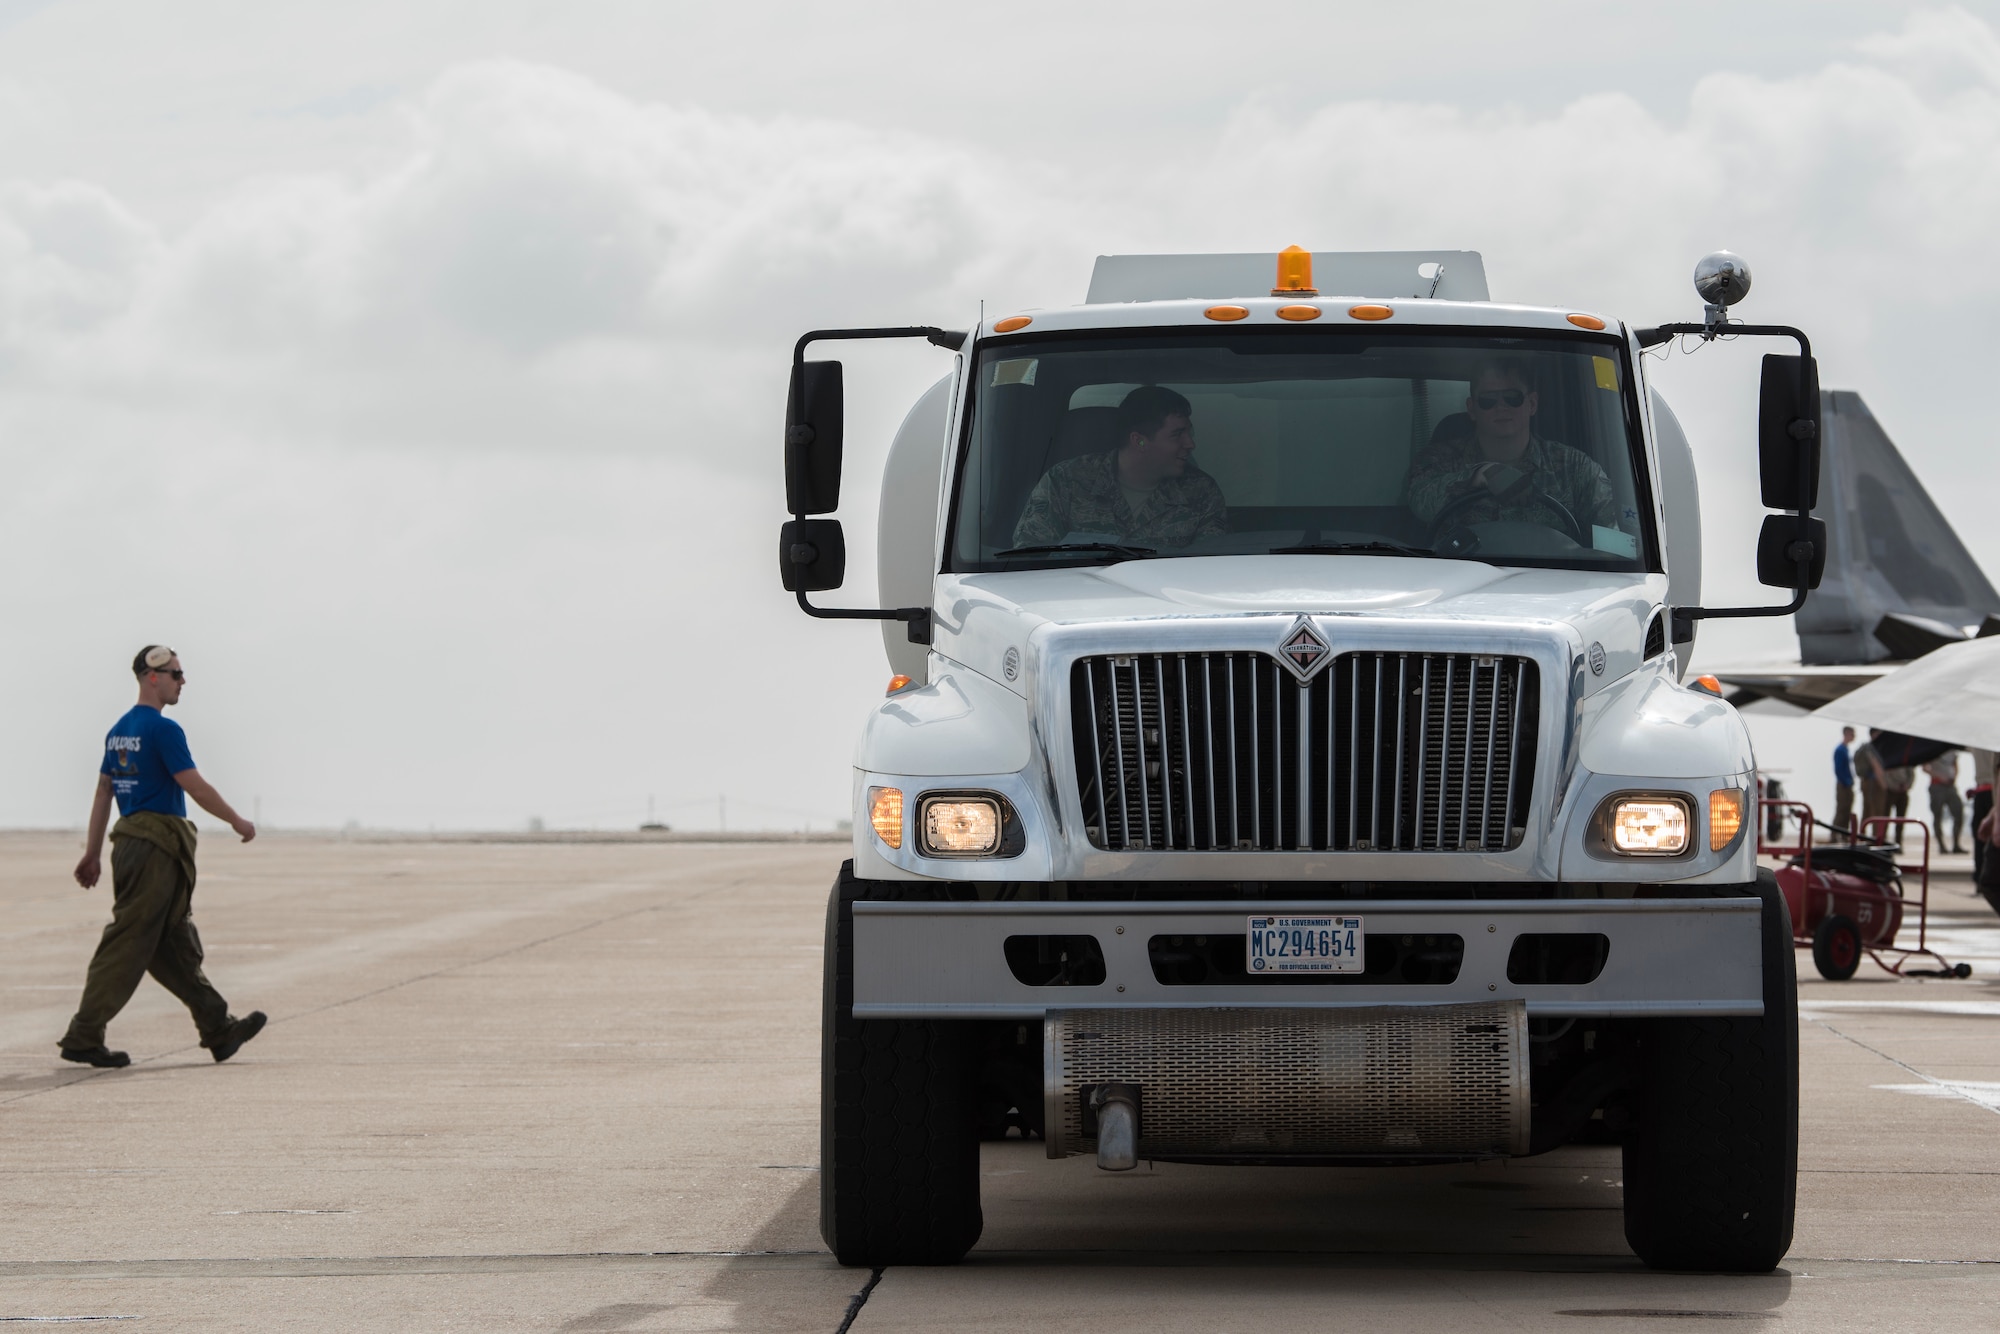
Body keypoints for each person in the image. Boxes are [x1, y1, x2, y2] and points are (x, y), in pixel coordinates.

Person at [60, 647, 267, 1069]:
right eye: (176, 674)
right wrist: (237, 821)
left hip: (132, 844)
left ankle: (217, 1028)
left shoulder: (119, 730)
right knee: (130, 939)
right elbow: (194, 785)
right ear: (153, 677)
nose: (182, 681)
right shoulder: (162, 730)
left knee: (171, 941)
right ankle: (84, 1035)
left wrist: (93, 852)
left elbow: (104, 792)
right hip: (156, 846)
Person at [1406, 358, 1627, 540]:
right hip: (1457, 581)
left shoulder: (1575, 468)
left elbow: (1615, 540)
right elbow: (1420, 503)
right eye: (1488, 400)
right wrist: (1478, 475)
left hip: (1553, 584)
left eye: (1512, 398)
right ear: (1472, 409)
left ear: (1531, 404)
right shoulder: (1440, 459)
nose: (1501, 407)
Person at [1011, 385, 1226, 551]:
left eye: (1189, 433)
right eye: (1177, 434)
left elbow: (1212, 567)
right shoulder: (1064, 482)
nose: (1190, 444)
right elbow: (1029, 556)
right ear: (1139, 441)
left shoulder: (1201, 492)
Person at [1925, 751, 1967, 855]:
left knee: (1958, 813)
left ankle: (1956, 844)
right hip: (1936, 785)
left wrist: (1954, 777)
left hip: (1950, 786)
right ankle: (1941, 845)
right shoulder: (1932, 749)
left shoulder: (1952, 750)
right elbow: (1925, 767)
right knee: (1937, 816)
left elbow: (1955, 764)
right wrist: (1939, 777)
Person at [1854, 731, 1887, 829]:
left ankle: (1865, 836)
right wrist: (1883, 784)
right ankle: (1874, 837)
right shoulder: (1870, 748)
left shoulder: (1868, 748)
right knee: (1876, 810)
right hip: (1873, 783)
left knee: (1868, 810)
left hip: (1869, 782)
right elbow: (1876, 766)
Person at [1831, 726, 1856, 839]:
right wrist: (1846, 781)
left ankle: (1844, 835)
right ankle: (1834, 835)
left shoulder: (1846, 749)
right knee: (1841, 811)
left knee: (1847, 811)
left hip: (1848, 784)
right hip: (1843, 785)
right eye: (1852, 734)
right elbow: (1839, 769)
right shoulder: (1840, 750)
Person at [1884, 759, 1914, 849]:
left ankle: (1898, 842)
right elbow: (1885, 774)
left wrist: (1907, 785)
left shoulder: (1906, 758)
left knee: (1900, 820)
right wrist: (1892, 786)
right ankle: (1883, 842)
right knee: (1885, 819)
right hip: (1890, 791)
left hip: (1903, 792)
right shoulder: (1889, 757)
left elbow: (1911, 774)